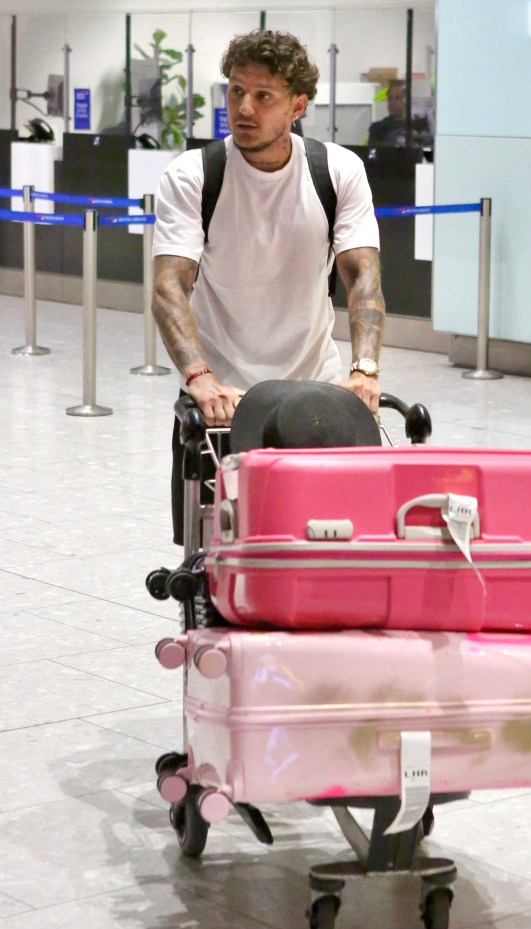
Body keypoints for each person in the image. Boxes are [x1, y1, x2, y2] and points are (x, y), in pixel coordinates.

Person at [151, 29, 385, 544]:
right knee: (213, 555)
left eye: (263, 96)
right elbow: (170, 283)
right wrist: (199, 377)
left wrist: (364, 369)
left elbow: (362, 273)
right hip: (225, 401)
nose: (244, 107)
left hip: (315, 393)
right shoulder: (194, 175)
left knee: (329, 542)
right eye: (236, 91)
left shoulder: (337, 171)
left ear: (297, 105)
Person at [367, 79, 433, 149]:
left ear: (406, 101)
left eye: (397, 98)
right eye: (390, 98)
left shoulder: (419, 126)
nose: (392, 102)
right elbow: (373, 153)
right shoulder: (377, 128)